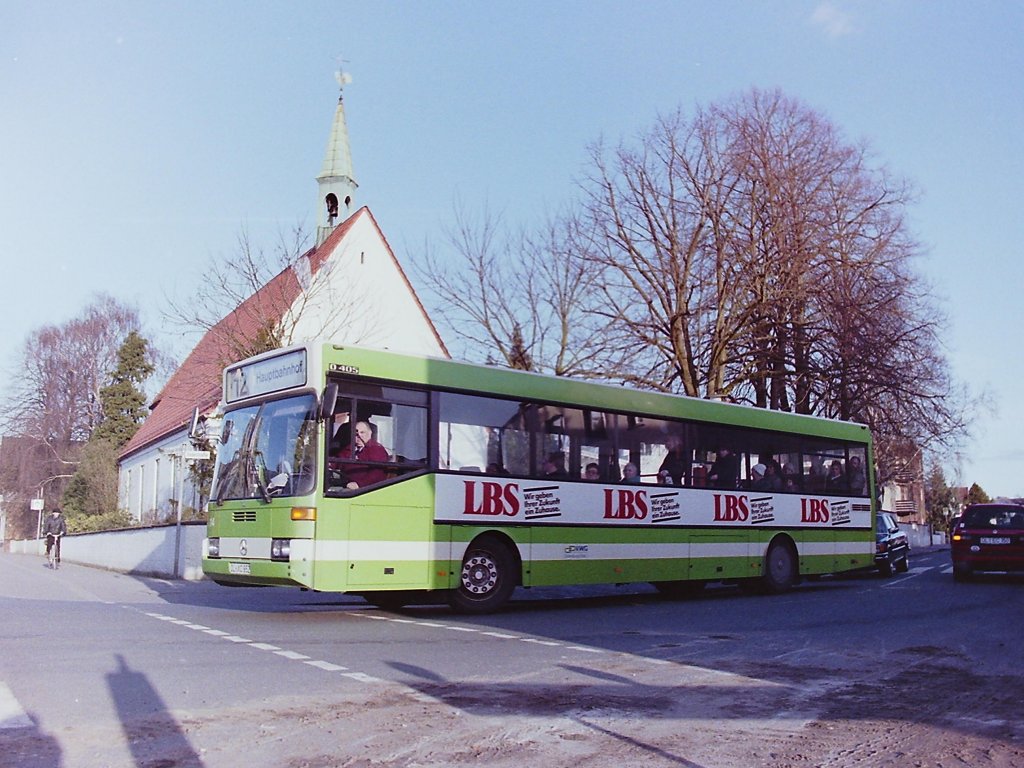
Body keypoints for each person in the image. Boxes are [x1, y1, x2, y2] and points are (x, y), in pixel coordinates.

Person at [335, 421, 390, 489]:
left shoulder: (377, 450)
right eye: (356, 433)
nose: (359, 436)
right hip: (345, 484)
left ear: (370, 433)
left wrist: (359, 484)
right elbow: (337, 462)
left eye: (362, 432)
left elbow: (377, 473)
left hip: (365, 490)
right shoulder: (348, 449)